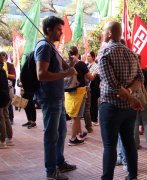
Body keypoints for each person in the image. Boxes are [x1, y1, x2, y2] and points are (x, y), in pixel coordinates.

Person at [98, 21, 143, 180]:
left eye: (104, 31)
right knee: (129, 142)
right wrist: (131, 96)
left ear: (109, 33)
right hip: (129, 110)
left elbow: (112, 84)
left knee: (110, 146)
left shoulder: (105, 53)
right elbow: (140, 78)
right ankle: (132, 176)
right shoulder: (131, 53)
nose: (103, 34)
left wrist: (129, 95)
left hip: (111, 107)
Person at [35, 16, 77, 180]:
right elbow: (41, 74)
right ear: (48, 30)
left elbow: (63, 68)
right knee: (51, 135)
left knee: (61, 131)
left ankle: (59, 162)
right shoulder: (44, 47)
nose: (61, 32)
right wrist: (67, 73)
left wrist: (70, 65)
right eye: (58, 29)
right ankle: (51, 170)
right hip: (50, 97)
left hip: (58, 97)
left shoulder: (52, 47)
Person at [65, 46, 95, 146]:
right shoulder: (81, 64)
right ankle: (73, 138)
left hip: (68, 93)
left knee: (74, 115)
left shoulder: (65, 63)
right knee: (76, 117)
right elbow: (90, 78)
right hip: (79, 92)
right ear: (77, 53)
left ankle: (81, 133)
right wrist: (94, 74)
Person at [0, 53, 14, 148]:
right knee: (6, 117)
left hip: (1, 96)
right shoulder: (2, 70)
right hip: (5, 95)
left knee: (1, 118)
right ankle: (9, 139)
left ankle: (2, 141)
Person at [0, 52, 16, 125]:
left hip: (9, 88)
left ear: (6, 58)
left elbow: (14, 76)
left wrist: (6, 74)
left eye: (3, 58)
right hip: (4, 89)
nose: (2, 59)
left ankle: (11, 118)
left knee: (9, 105)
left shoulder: (10, 65)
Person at [86, 51, 100, 127]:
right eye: (87, 56)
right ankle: (91, 118)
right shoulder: (87, 65)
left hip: (94, 88)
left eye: (89, 56)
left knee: (94, 103)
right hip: (87, 87)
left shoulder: (96, 66)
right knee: (89, 104)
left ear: (93, 57)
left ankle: (94, 119)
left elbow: (93, 76)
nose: (87, 57)